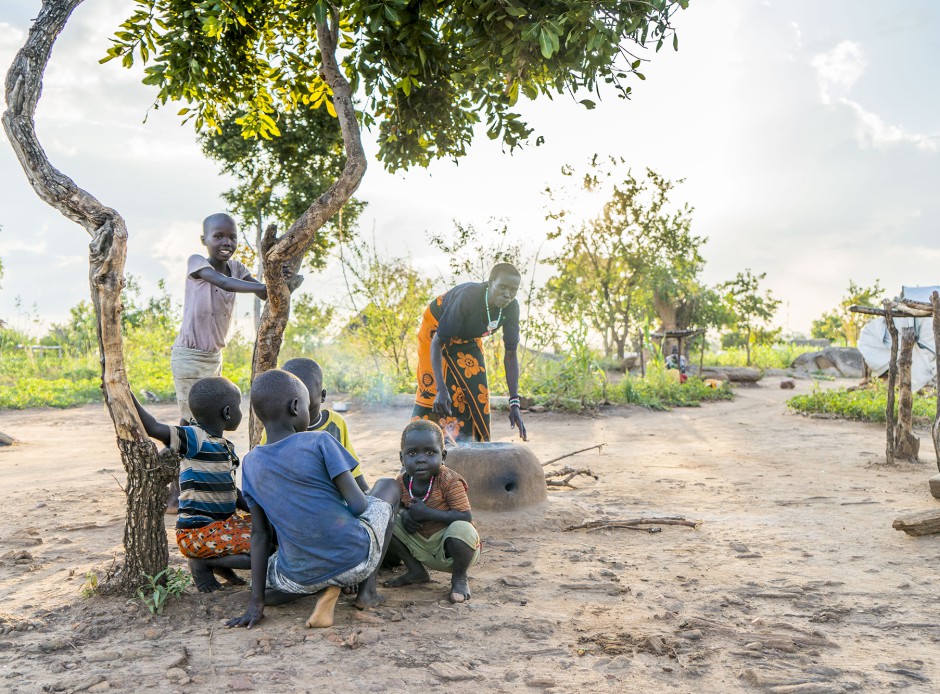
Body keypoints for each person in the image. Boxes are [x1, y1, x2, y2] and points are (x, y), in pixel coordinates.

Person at [226, 370, 400, 630]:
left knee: (282, 569)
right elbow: (360, 506)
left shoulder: (250, 463)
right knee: (387, 485)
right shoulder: (320, 441)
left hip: (299, 576)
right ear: (296, 407)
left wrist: (255, 602)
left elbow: (260, 535)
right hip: (355, 560)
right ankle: (367, 592)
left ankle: (318, 588)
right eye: (307, 406)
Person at [166, 213, 267, 514]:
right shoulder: (198, 263)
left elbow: (257, 283)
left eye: (232, 237)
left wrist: (276, 282)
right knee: (189, 426)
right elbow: (223, 282)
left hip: (213, 358)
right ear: (204, 240)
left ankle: (204, 486)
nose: (226, 242)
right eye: (218, 236)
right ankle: (173, 494)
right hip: (189, 356)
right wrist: (260, 289)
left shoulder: (238, 268)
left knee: (207, 425)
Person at [132, 377, 251, 593]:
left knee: (272, 532)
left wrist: (255, 510)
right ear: (227, 412)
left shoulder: (224, 446)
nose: (241, 413)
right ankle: (204, 563)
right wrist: (127, 393)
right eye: (239, 407)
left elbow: (231, 490)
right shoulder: (195, 438)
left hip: (220, 529)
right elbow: (153, 427)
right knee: (263, 548)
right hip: (197, 535)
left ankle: (216, 561)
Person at [412, 263, 527, 443]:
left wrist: (514, 403)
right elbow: (438, 342)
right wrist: (441, 389)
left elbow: (511, 355)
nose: (508, 294)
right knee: (435, 389)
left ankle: (473, 446)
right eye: (502, 287)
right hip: (436, 328)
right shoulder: (468, 298)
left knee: (476, 388)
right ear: (490, 283)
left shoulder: (511, 308)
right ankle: (424, 447)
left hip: (467, 336)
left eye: (513, 289)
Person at [383, 420, 480, 603]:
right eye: (412, 453)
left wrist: (428, 513)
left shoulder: (449, 480)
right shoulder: (401, 482)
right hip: (420, 545)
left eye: (430, 452)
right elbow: (399, 506)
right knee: (388, 517)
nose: (421, 459)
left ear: (443, 456)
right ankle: (416, 571)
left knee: (463, 528)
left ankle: (459, 577)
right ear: (402, 458)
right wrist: (404, 514)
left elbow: (465, 515)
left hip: (451, 549)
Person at [277, 357, 369, 492]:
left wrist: (368, 494)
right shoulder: (276, 427)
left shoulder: (335, 423)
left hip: (334, 497)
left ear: (323, 395)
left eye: (305, 397)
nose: (295, 406)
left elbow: (352, 470)